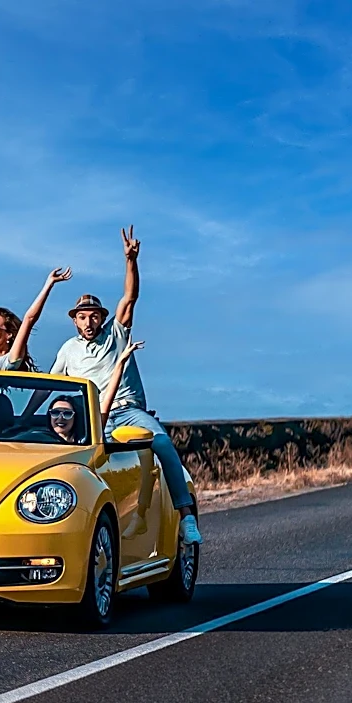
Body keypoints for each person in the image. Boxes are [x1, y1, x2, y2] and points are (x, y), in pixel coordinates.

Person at [27, 226, 203, 545]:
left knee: (161, 444)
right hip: (96, 419)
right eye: (83, 317)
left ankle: (186, 516)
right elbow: (50, 387)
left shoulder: (116, 334)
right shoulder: (68, 349)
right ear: (74, 320)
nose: (89, 322)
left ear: (101, 317)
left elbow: (130, 297)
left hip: (129, 412)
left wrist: (130, 261)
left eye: (94, 316)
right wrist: (26, 414)